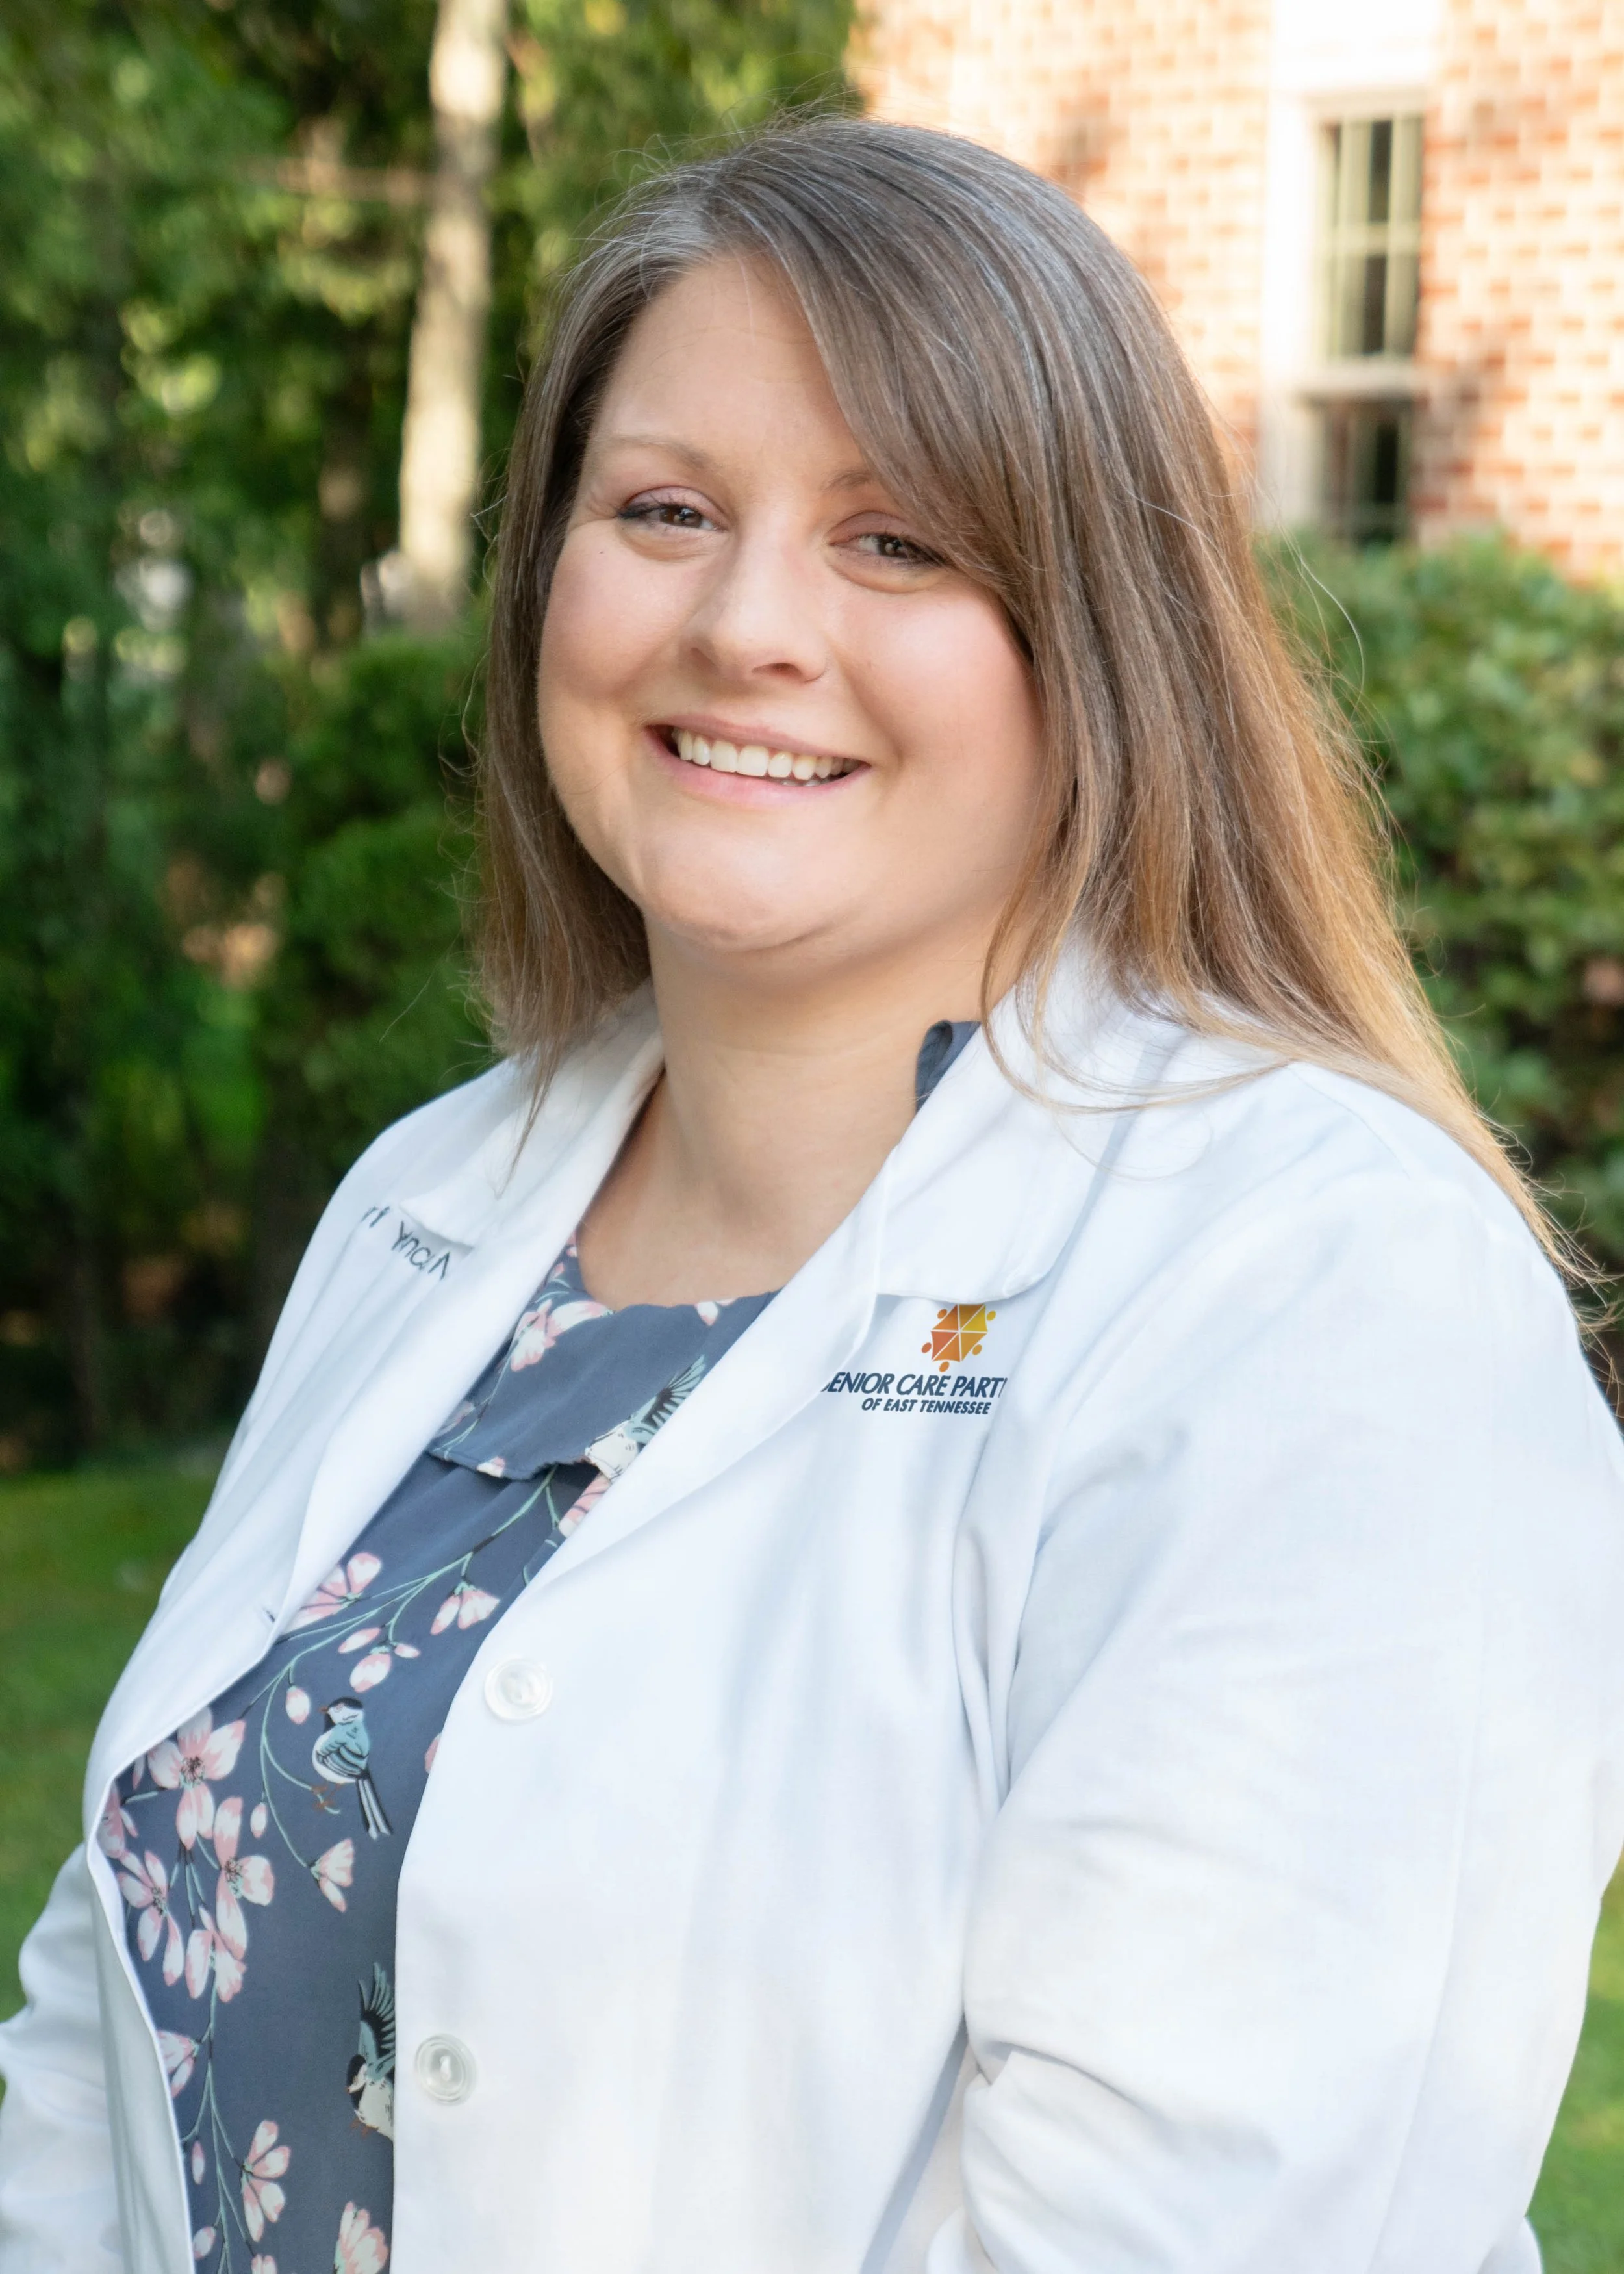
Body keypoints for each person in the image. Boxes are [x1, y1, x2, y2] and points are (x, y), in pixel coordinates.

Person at [1, 114, 1620, 2274]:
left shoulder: (1323, 1293)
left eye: (896, 544)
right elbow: (100, 2022)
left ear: (1097, 642)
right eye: (662, 510)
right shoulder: (434, 1198)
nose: (747, 622)